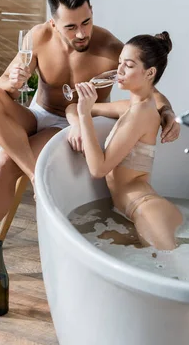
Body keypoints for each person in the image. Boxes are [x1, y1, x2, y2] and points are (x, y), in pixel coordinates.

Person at [0, 0, 180, 293]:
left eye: (87, 21)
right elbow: (5, 84)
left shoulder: (110, 47)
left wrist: (168, 115)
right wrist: (12, 81)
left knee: (3, 165)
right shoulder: (38, 37)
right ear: (53, 23)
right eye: (71, 27)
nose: (81, 33)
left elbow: (150, 89)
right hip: (36, 113)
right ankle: (35, 179)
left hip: (67, 125)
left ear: (92, 12)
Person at [66, 32, 182, 250]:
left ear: (150, 73)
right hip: (131, 210)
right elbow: (71, 106)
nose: (118, 71)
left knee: (174, 276)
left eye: (128, 65)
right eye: (119, 62)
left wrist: (84, 116)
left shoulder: (142, 113)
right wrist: (77, 122)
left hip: (147, 209)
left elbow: (98, 168)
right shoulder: (128, 107)